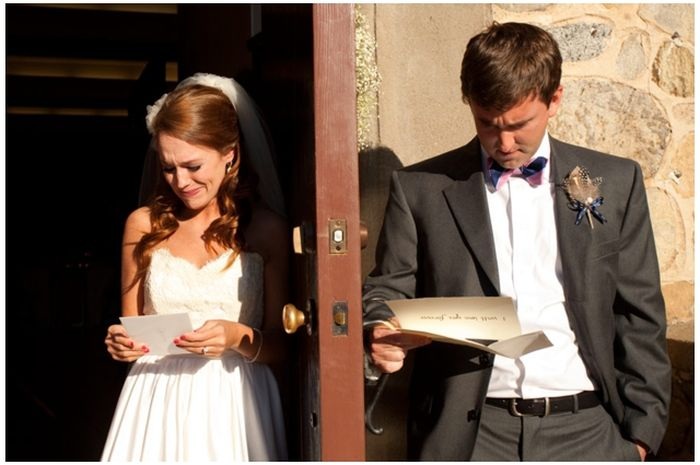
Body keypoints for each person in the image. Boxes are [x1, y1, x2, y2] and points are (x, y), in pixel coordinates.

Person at [363, 22, 671, 461]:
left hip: (589, 431)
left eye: (519, 125)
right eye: (487, 124)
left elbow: (639, 312)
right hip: (472, 436)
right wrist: (379, 328)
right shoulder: (419, 189)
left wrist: (640, 436)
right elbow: (387, 289)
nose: (504, 143)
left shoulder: (616, 182)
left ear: (555, 99)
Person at [102, 73, 288, 461]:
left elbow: (284, 346)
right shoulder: (143, 225)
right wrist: (122, 343)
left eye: (192, 165)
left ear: (230, 154)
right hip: (155, 398)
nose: (180, 181)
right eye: (168, 168)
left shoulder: (266, 230)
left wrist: (237, 336)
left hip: (234, 398)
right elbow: (132, 327)